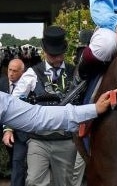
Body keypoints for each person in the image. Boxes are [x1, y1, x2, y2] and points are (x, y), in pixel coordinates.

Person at [12, 26, 79, 186]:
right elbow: (14, 102)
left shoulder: (75, 72)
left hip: (66, 141)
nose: (56, 58)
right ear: (44, 51)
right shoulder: (32, 73)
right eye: (52, 55)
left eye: (59, 54)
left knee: (64, 183)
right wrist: (9, 128)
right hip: (38, 140)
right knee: (34, 181)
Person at [0, 58, 27, 186]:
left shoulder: (29, 85)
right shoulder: (1, 83)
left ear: (22, 72)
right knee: (14, 160)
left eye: (15, 71)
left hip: (21, 131)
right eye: (10, 70)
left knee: (17, 160)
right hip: (3, 130)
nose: (11, 73)